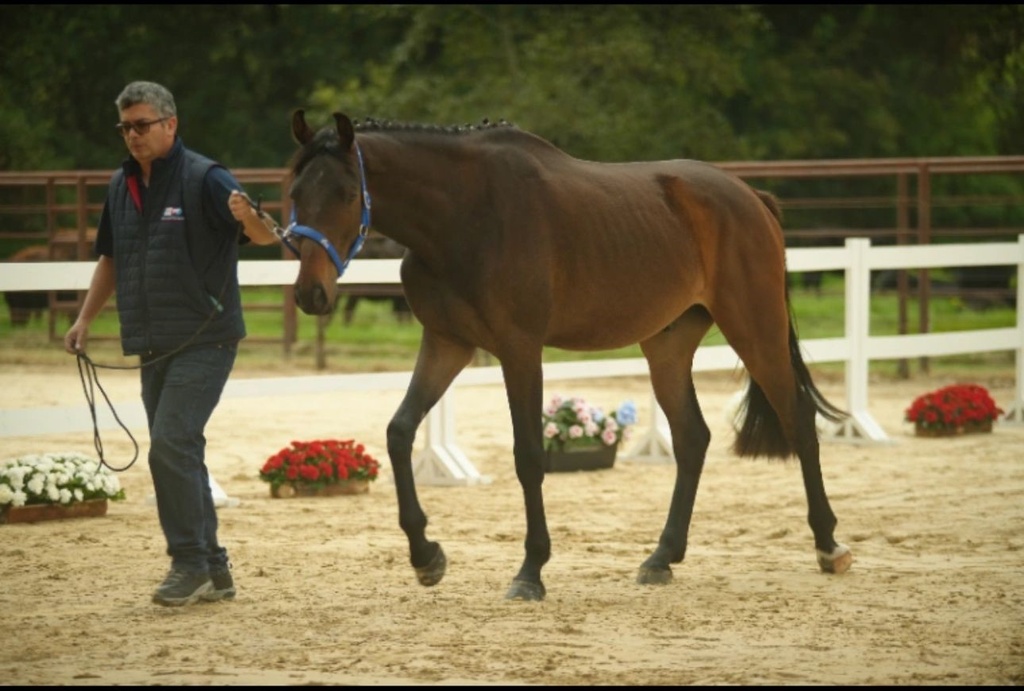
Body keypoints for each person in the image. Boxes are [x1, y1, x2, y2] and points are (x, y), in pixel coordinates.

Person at [64, 81, 278, 607]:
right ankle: (215, 568)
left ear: (170, 124)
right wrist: (85, 318)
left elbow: (267, 235)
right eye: (126, 127)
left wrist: (246, 214)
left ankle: (187, 564)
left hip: (207, 338)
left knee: (171, 444)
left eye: (142, 125)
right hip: (152, 342)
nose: (133, 136)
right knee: (183, 450)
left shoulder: (207, 177)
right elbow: (111, 259)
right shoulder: (120, 185)